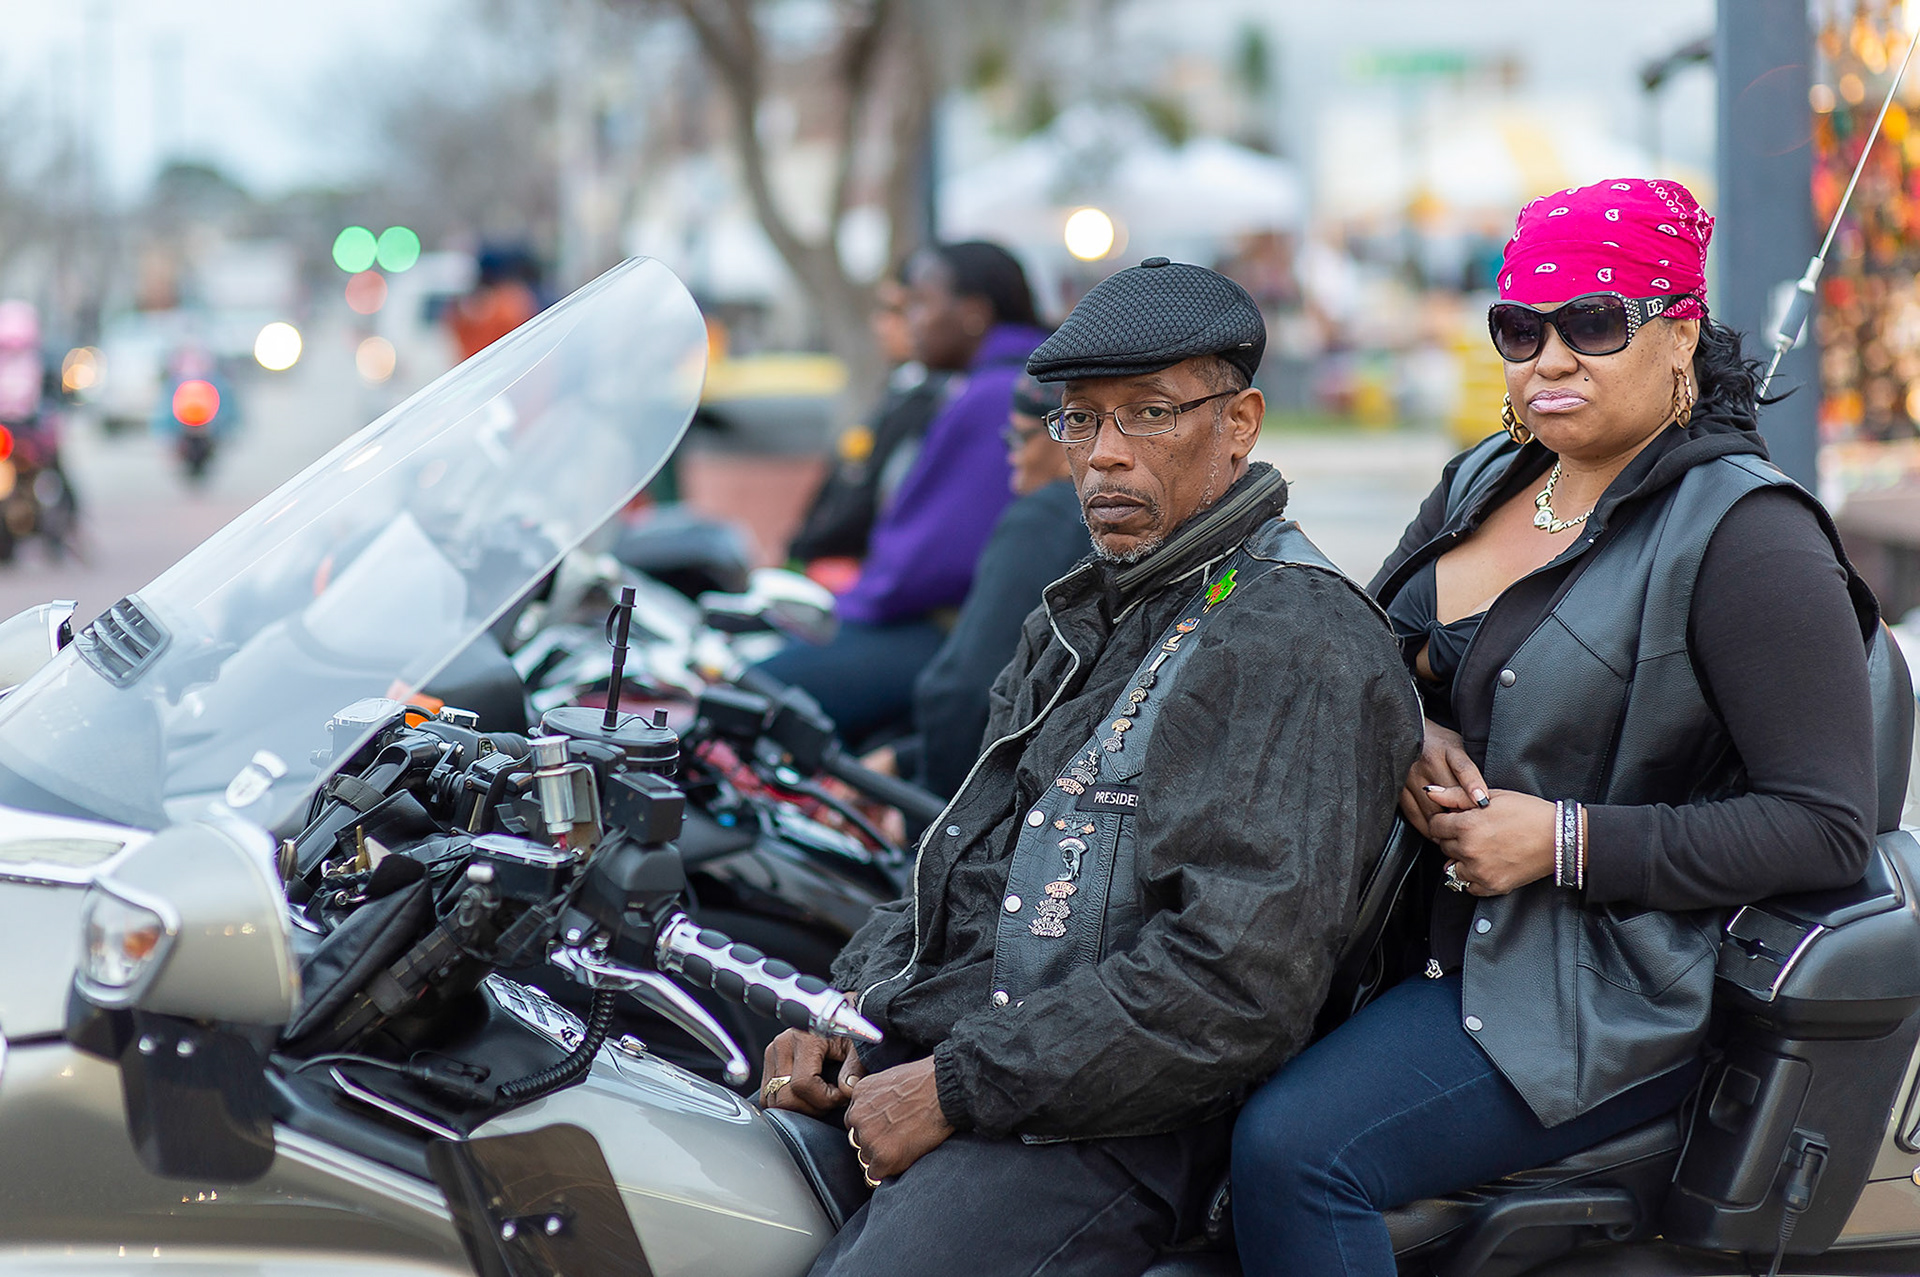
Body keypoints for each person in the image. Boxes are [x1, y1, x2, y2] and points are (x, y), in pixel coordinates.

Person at [1229, 178, 1880, 1275]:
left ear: (1680, 332)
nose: (1550, 358)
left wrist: (1564, 838)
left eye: (1594, 321)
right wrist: (1406, 725)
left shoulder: (1748, 534)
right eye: (1520, 328)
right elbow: (1369, 648)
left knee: (1296, 1152)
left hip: (1580, 983)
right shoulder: (1490, 476)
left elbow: (1826, 826)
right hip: (1386, 924)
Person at [761, 257, 1422, 1277]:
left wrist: (954, 1087)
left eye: (1148, 415)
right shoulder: (1082, 608)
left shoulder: (1286, 632)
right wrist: (843, 1010)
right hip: (995, 1063)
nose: (1105, 456)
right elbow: (966, 856)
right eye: (1080, 419)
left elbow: (1234, 984)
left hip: (1120, 1124)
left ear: (1239, 422)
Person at [755, 242, 1049, 748]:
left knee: (757, 692)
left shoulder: (995, 392)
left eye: (921, 304)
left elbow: (940, 557)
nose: (910, 321)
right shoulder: (1004, 379)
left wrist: (855, 601)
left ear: (974, 312)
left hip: (951, 634)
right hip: (969, 629)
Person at [881, 373, 1088, 798]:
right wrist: (902, 759)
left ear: (1067, 435)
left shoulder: (1045, 517)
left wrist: (926, 810)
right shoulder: (1112, 523)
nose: (1011, 455)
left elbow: (963, 692)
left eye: (1021, 438)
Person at [788, 276, 953, 591]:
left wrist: (809, 549)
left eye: (897, 311)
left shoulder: (936, 401)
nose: (881, 324)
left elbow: (874, 498)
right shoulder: (900, 389)